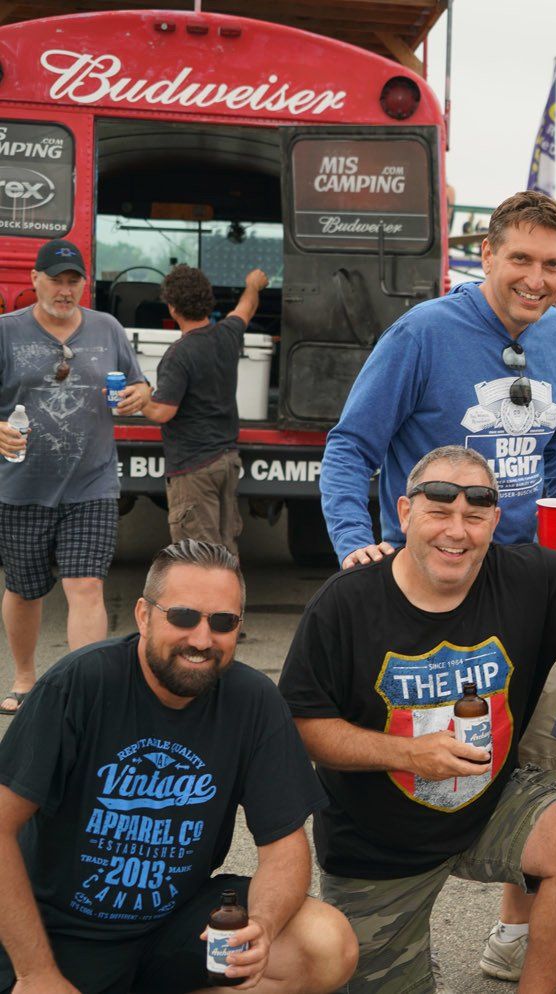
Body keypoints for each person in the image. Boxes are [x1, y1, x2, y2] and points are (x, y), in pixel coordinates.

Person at [278, 445, 556, 994]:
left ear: (495, 522)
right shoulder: (346, 602)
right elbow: (301, 725)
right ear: (406, 513)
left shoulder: (523, 574)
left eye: (474, 515)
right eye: (439, 511)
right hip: (378, 846)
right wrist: (409, 753)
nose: (456, 531)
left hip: (488, 805)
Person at [0, 540, 357, 993]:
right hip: (62, 932)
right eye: (183, 616)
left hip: (174, 925)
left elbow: (284, 847)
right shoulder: (79, 684)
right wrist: (36, 973)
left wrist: (262, 928)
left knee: (324, 942)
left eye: (223, 623)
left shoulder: (253, 701)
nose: (202, 640)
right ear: (144, 615)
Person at [320, 190, 556, 570]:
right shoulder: (422, 333)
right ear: (487, 255)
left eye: (552, 264)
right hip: (427, 568)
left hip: (521, 568)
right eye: (521, 259)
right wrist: (353, 541)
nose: (536, 280)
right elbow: (350, 446)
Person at [0, 239, 150, 718]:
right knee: (25, 589)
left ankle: (85, 692)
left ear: (84, 284)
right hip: (22, 487)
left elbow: (139, 383)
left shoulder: (107, 329)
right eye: (56, 280)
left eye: (73, 281)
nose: (65, 291)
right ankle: (25, 679)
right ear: (35, 280)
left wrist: (139, 395)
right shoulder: (6, 333)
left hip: (93, 483)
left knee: (86, 586)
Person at [138, 265, 268, 554]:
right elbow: (246, 307)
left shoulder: (178, 355)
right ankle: (229, 601)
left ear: (172, 309)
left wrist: (143, 397)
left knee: (198, 556)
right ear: (207, 300)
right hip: (226, 461)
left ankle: (205, 602)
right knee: (225, 551)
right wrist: (253, 284)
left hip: (193, 468)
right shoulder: (227, 335)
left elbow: (162, 412)